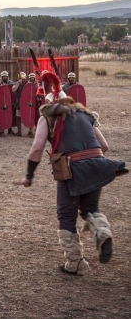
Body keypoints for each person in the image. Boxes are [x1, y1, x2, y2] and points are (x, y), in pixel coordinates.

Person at [18, 71, 126, 275]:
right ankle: (102, 233)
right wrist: (89, 161)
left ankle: (75, 262)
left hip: (72, 169)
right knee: (90, 208)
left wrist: (29, 176)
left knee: (66, 215)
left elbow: (36, 148)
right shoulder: (84, 114)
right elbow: (104, 146)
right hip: (98, 163)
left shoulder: (47, 117)